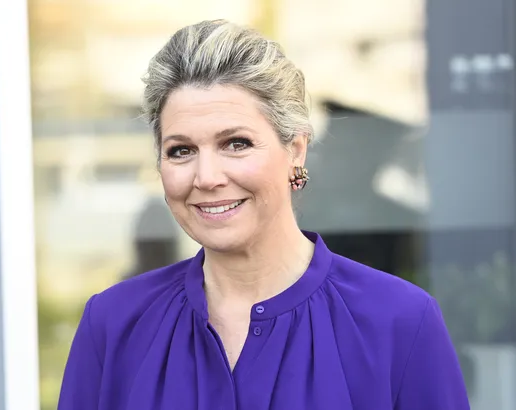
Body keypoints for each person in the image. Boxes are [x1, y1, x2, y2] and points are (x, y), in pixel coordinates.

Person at [58, 19, 469, 409]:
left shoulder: (400, 321)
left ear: (296, 150)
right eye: (181, 150)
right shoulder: (113, 324)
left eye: (236, 143)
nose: (207, 177)